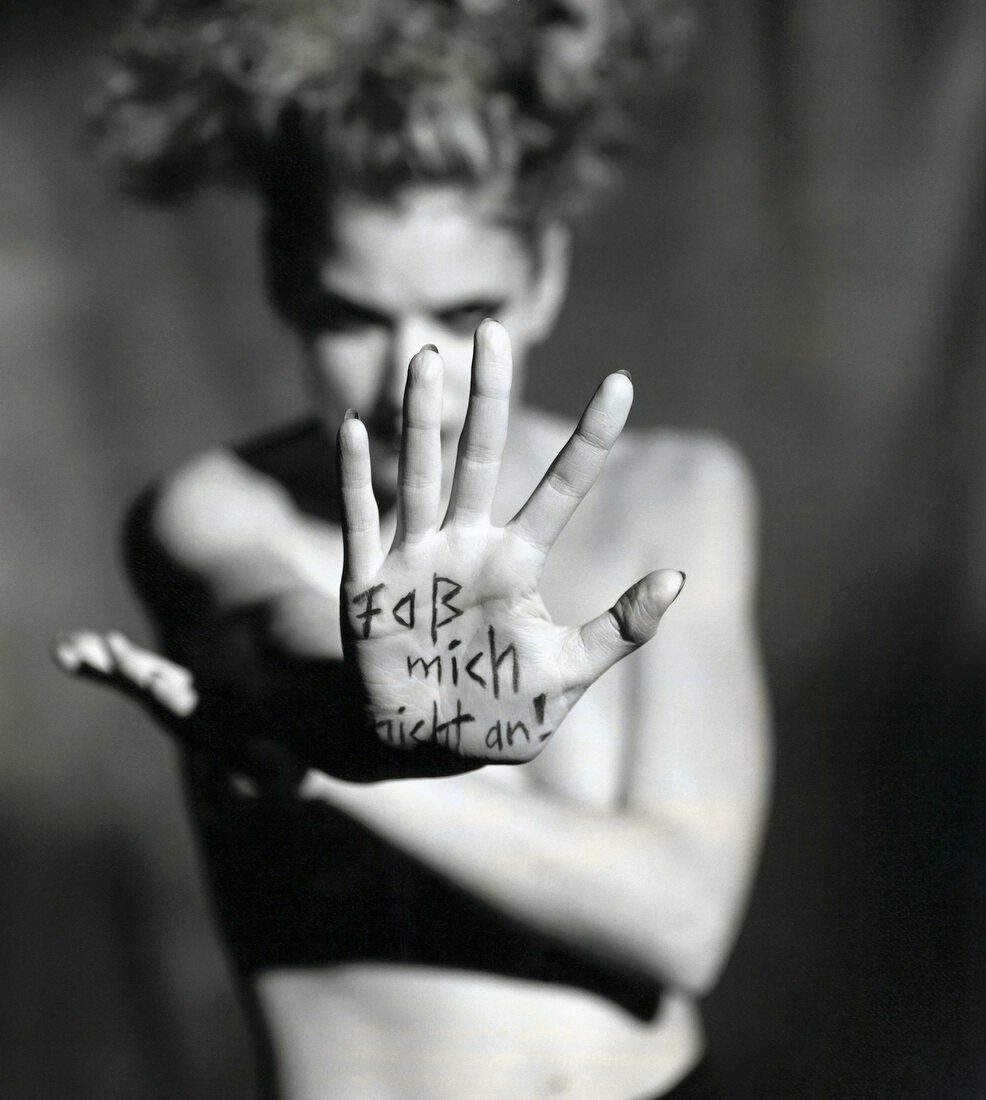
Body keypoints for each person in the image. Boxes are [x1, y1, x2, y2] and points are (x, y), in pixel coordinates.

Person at [53, 1, 771, 1096]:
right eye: (352, 315)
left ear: (543, 279)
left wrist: (327, 774)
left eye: (462, 306)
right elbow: (281, 644)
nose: (410, 375)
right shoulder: (209, 511)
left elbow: (679, 923)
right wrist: (355, 720)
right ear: (285, 283)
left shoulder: (680, 494)